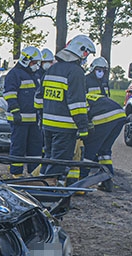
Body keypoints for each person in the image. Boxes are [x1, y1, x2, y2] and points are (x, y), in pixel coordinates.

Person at [35, 35, 96, 184]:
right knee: (58, 165)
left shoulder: (52, 69)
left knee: (49, 159)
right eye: (86, 54)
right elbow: (77, 104)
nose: (86, 58)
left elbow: (38, 98)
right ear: (81, 51)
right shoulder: (76, 72)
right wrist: (83, 127)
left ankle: (41, 188)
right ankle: (47, 196)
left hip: (47, 126)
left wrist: (42, 117)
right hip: (65, 128)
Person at [4, 46, 43, 176]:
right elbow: (10, 94)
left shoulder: (36, 75)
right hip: (19, 119)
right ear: (26, 60)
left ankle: (35, 174)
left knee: (36, 147)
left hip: (34, 119)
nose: (36, 65)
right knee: (18, 147)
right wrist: (15, 112)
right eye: (34, 62)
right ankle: (16, 174)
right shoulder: (14, 74)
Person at [80, 93, 126, 191]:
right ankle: (107, 180)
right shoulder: (87, 96)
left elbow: (83, 116)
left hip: (103, 115)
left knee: (89, 149)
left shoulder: (78, 99)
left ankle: (81, 182)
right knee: (104, 150)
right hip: (120, 114)